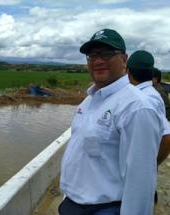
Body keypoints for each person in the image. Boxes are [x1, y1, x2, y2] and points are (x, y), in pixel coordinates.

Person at [59, 29, 163, 215]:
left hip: (104, 209)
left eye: (106, 53)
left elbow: (140, 180)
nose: (98, 60)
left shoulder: (137, 107)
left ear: (124, 60)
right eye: (92, 55)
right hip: (73, 204)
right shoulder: (89, 100)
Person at [127, 51, 170, 167]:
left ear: (128, 72)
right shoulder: (149, 93)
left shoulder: (145, 100)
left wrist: (152, 165)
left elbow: (166, 138)